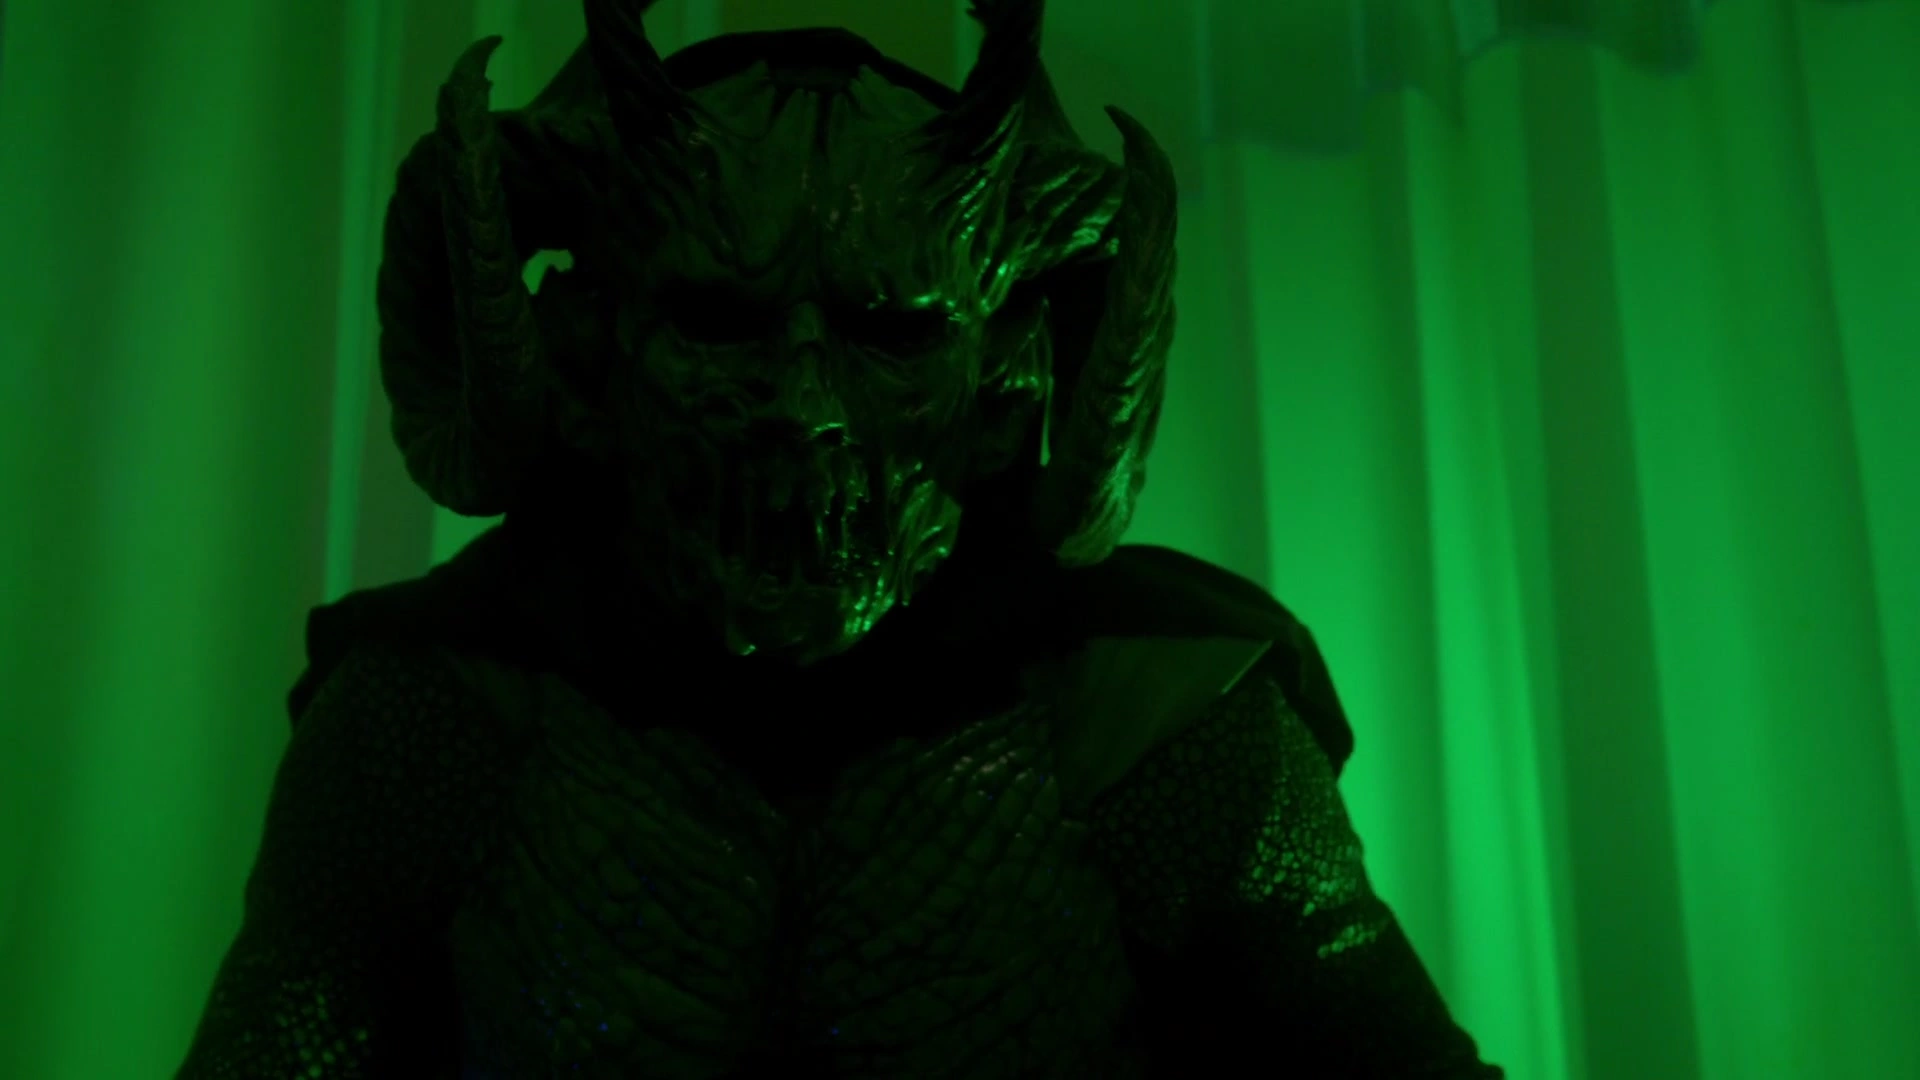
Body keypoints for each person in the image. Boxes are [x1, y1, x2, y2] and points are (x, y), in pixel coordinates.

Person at [177, 2, 1503, 1075]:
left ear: (1004, 384)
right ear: (590, 359)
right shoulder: (435, 714)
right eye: (719, 321)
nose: (805, 408)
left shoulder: (1154, 715)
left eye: (891, 333)